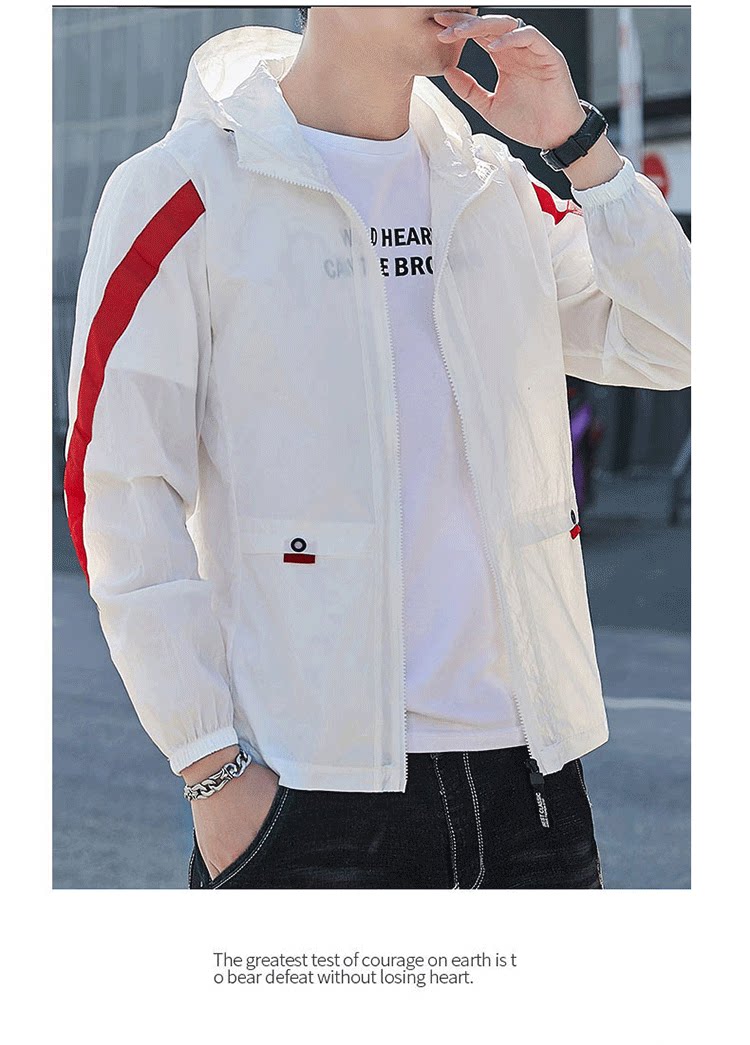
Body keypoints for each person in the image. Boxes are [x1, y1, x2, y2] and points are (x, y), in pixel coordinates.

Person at [64, 8, 690, 889]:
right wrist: (209, 766)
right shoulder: (185, 189)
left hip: (532, 786)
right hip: (311, 791)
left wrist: (580, 146)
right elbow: (119, 486)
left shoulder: (494, 190)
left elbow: (678, 342)